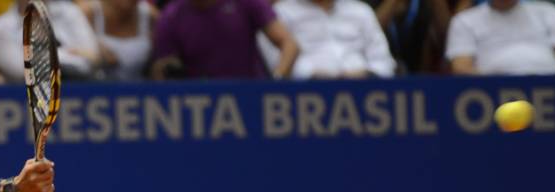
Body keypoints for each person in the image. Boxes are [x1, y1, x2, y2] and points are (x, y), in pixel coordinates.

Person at [151, 0, 299, 79]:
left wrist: (276, 82)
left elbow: (289, 45)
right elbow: (163, 69)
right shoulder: (170, 17)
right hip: (199, 104)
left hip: (251, 95)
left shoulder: (246, 3)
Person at [258, 0, 395, 79]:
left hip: (365, 91)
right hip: (304, 95)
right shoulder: (280, 13)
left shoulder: (361, 11)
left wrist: (367, 73)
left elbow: (383, 61)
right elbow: (275, 64)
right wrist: (312, 75)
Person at [446, 0, 555, 74]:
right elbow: (461, 67)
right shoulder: (464, 20)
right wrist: (502, 84)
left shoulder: (548, 11)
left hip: (551, 92)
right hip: (491, 94)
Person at [0, 0, 103, 82]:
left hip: (81, 87)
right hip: (28, 99)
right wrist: (69, 53)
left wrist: (36, 57)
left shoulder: (70, 12)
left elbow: (91, 58)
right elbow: (20, 70)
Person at [78, 0, 158, 81]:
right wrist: (94, 50)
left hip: (141, 90)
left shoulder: (151, 15)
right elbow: (71, 52)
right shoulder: (85, 13)